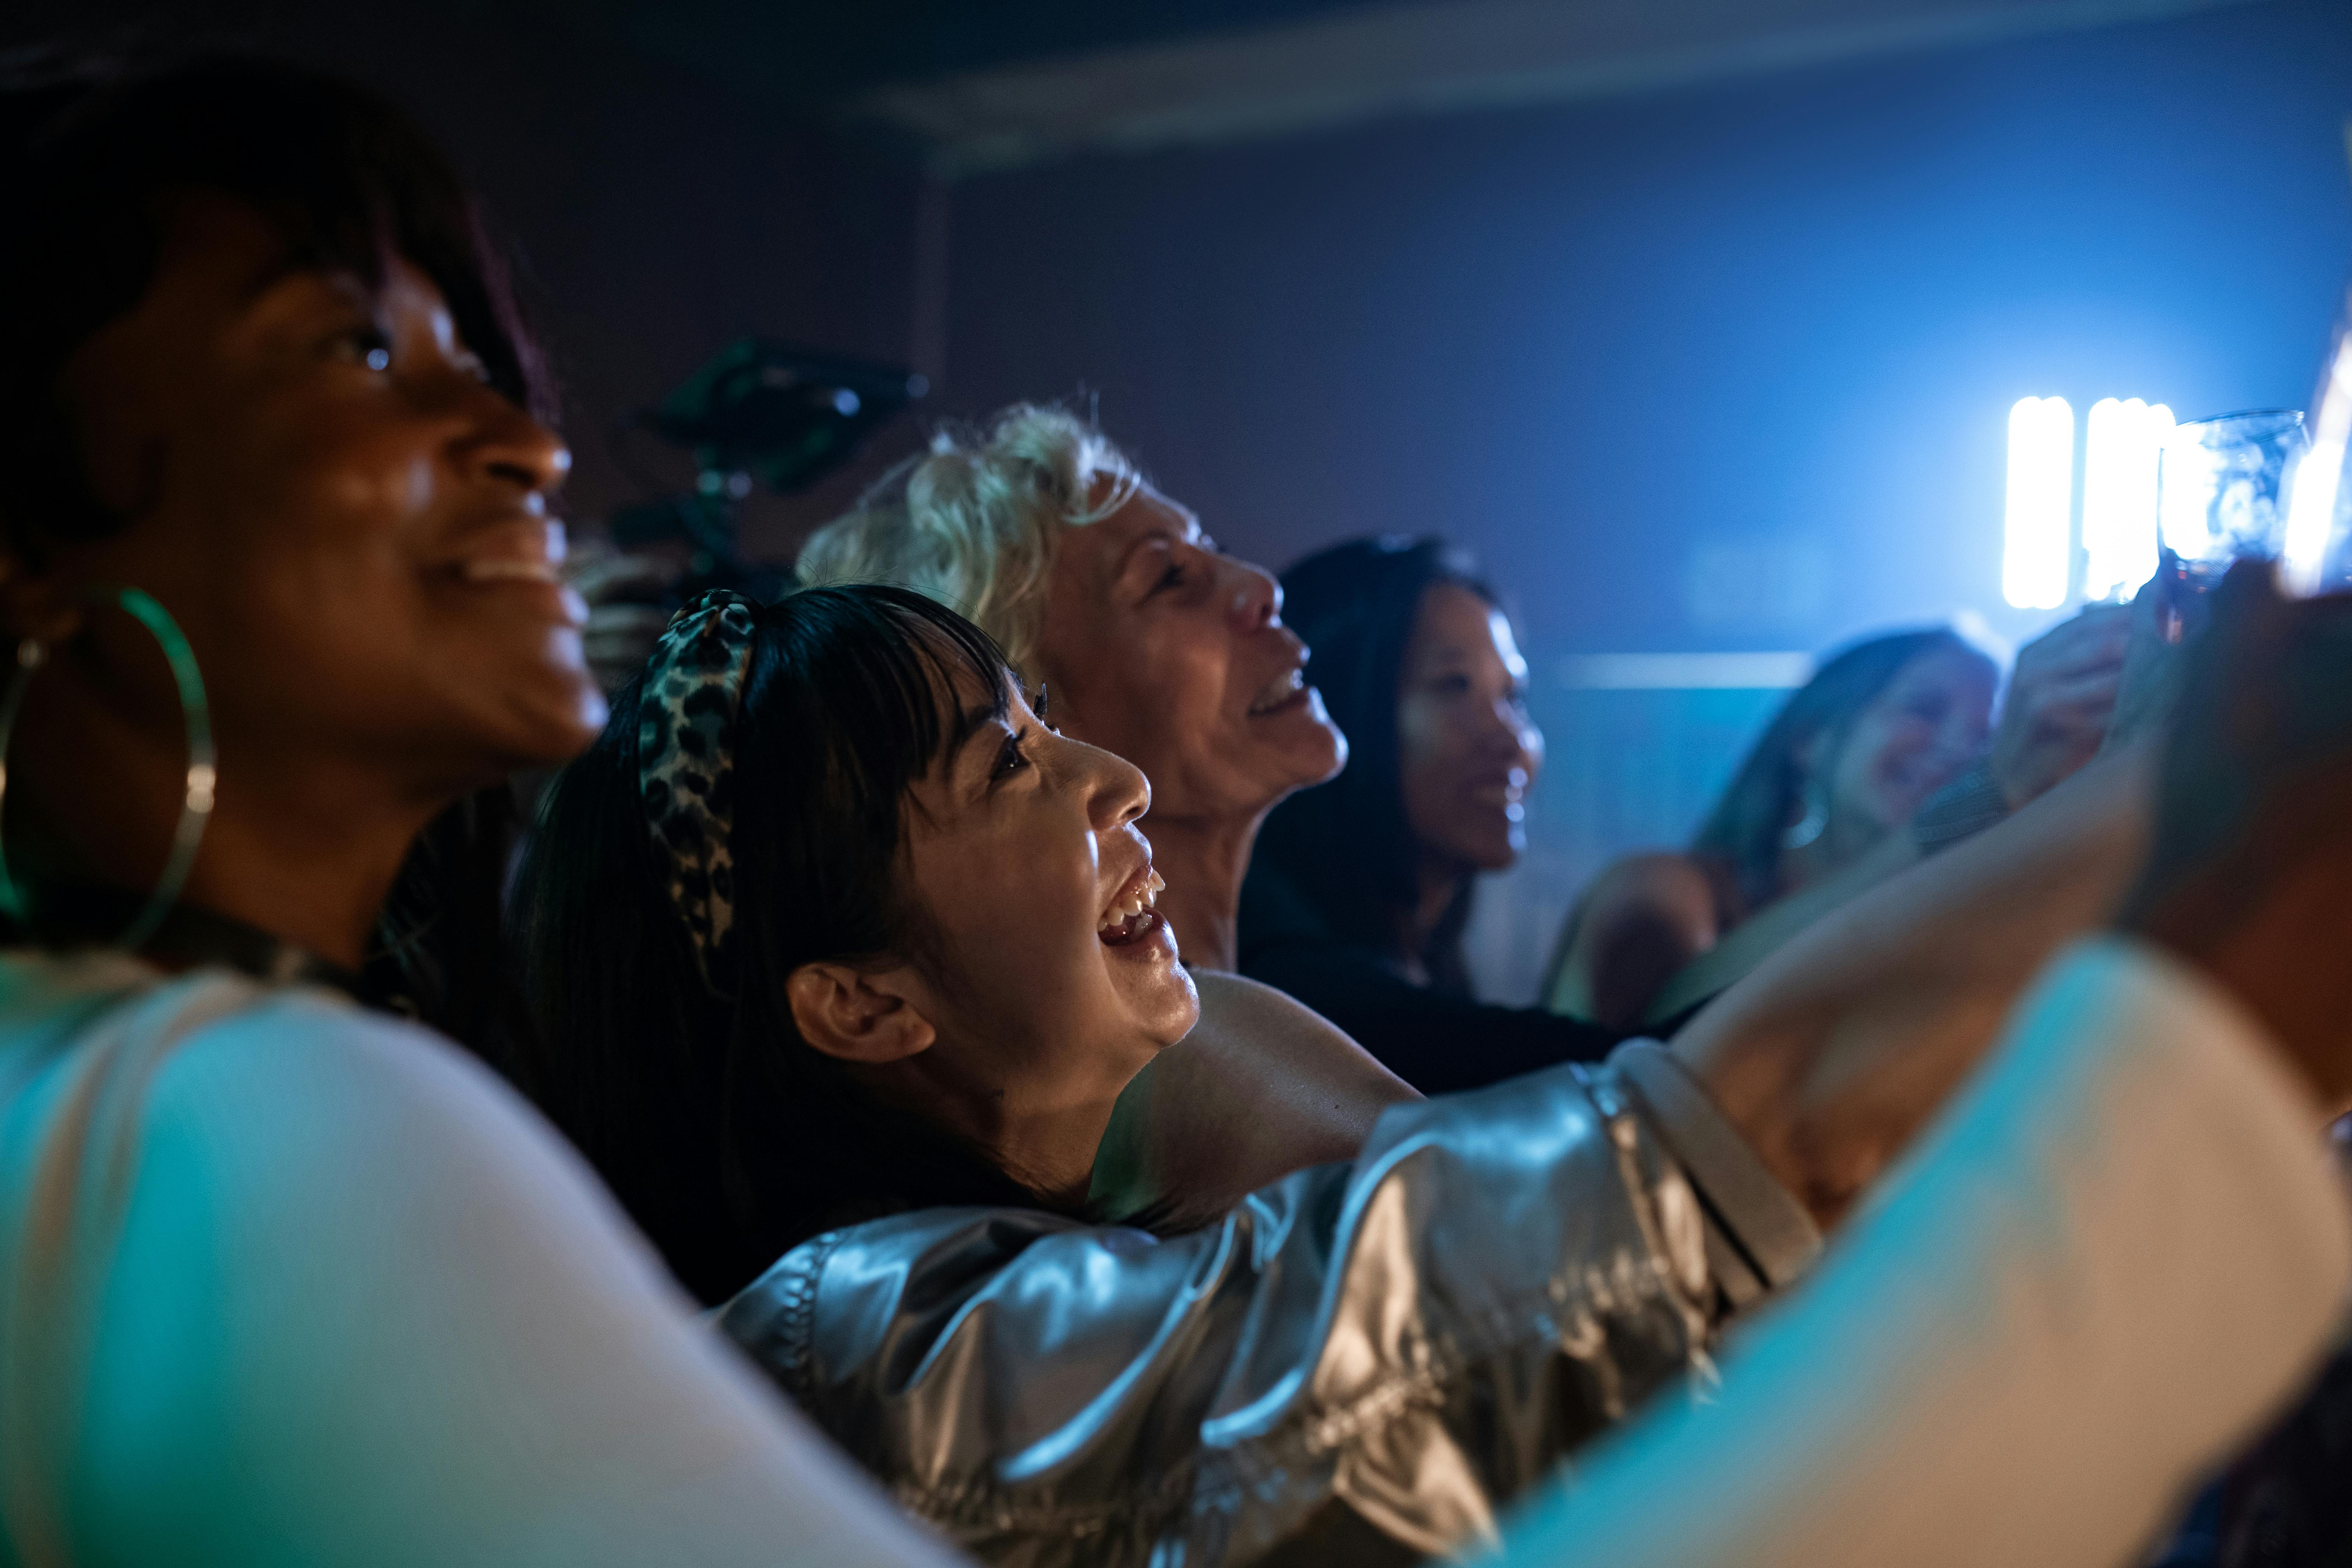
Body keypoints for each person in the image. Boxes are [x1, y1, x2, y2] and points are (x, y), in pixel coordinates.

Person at [0, 55, 961, 1566]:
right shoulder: (268, 1119)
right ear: (25, 554)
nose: (529, 444)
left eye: (469, 353)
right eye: (358, 349)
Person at [1546, 604, 2127, 1030]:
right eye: (1923, 710)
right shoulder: (1661, 894)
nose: (1958, 750)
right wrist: (1983, 796)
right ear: (1812, 739)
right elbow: (1667, 1041)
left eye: (1988, 738)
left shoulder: (1944, 941)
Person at [1240, 536, 1633, 1092]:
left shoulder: (1421, 963)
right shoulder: (1286, 983)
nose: (1511, 741)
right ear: (1336, 707)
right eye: (1454, 687)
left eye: (1513, 696)